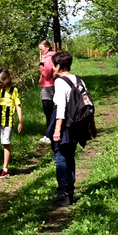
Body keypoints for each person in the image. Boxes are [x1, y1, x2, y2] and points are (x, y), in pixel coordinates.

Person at [48, 51, 83, 207]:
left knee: (60, 157)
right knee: (70, 156)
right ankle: (70, 190)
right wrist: (92, 125)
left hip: (65, 124)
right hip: (77, 123)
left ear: (58, 66)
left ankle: (63, 194)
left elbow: (61, 107)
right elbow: (87, 102)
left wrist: (57, 130)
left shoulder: (60, 82)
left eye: (54, 65)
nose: (53, 68)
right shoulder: (78, 80)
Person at [35, 41, 59, 146]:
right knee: (51, 111)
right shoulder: (51, 56)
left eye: (42, 49)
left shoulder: (48, 58)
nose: (41, 51)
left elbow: (47, 74)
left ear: (48, 47)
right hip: (50, 85)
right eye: (40, 49)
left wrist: (40, 65)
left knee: (48, 111)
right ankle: (51, 133)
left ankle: (50, 135)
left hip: (48, 86)